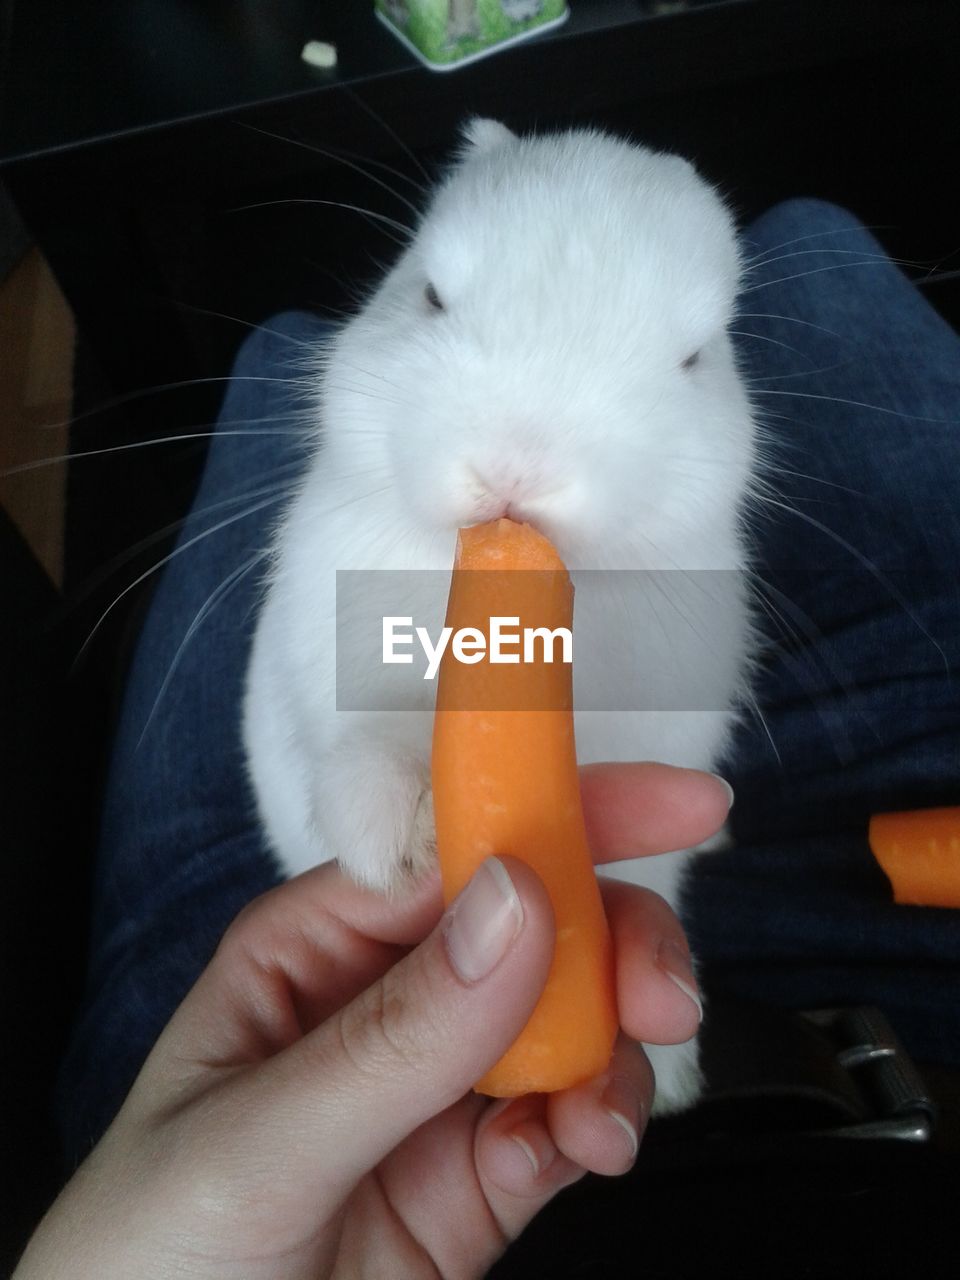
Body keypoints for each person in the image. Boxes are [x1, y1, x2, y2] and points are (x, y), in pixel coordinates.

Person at [14, 196, 960, 1277]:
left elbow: (669, 735)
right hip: (865, 1011)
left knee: (273, 347)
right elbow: (333, 689)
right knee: (821, 239)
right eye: (435, 298)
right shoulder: (354, 515)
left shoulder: (685, 565)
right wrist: (374, 757)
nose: (517, 468)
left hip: (286, 1024)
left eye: (691, 353)